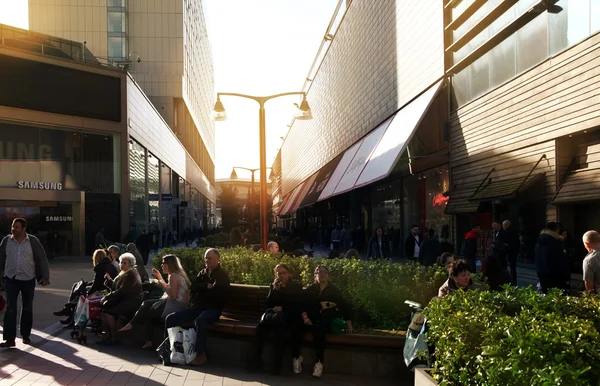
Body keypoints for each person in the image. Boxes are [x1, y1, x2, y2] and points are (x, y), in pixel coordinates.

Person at [164, 248, 230, 366]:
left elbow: (217, 294)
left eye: (210, 258)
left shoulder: (222, 275)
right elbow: (193, 287)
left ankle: (201, 354)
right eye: (205, 258)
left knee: (200, 320)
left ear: (218, 259)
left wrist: (202, 290)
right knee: (171, 318)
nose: (207, 260)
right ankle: (168, 350)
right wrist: (205, 286)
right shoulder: (203, 273)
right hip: (198, 307)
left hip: (213, 309)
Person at [119, 254, 191, 349]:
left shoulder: (174, 276)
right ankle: (148, 340)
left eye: (163, 263)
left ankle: (131, 324)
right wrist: (160, 278)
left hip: (175, 306)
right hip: (175, 304)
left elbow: (173, 295)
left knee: (146, 305)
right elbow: (171, 290)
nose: (162, 265)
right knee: (148, 312)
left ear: (170, 264)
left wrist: (162, 285)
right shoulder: (176, 275)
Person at [294, 265, 353, 379]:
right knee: (295, 329)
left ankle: (319, 363)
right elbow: (302, 305)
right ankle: (296, 357)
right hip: (309, 320)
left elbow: (344, 307)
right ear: (315, 276)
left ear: (328, 275)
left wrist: (349, 324)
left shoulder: (334, 290)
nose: (322, 274)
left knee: (319, 332)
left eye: (325, 272)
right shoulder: (310, 289)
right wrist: (306, 318)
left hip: (324, 320)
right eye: (319, 272)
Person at [0, 218, 50, 347]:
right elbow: (0, 260)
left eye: (16, 227)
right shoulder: (6, 241)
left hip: (28, 278)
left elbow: (41, 259)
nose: (13, 229)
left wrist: (44, 276)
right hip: (10, 278)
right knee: (10, 307)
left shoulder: (32, 241)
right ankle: (10, 338)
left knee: (27, 307)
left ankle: (26, 335)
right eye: (12, 226)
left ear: (23, 229)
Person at [248, 264, 302, 375]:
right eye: (278, 273)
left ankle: (277, 365)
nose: (281, 275)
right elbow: (268, 304)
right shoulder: (274, 286)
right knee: (260, 330)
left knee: (280, 332)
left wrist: (283, 308)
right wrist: (275, 290)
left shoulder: (295, 286)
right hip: (274, 317)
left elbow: (296, 305)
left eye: (283, 273)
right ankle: (256, 362)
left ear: (289, 273)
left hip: (288, 317)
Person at [52, 249, 119, 326]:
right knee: (77, 285)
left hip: (103, 290)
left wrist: (87, 293)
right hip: (104, 288)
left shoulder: (100, 267)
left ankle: (70, 312)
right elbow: (98, 281)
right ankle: (69, 310)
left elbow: (96, 285)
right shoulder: (109, 265)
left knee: (80, 292)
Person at [97, 253, 143, 345]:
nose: (122, 264)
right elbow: (117, 288)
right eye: (121, 262)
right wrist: (110, 281)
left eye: (125, 263)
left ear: (130, 264)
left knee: (108, 311)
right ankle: (108, 335)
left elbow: (122, 291)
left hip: (130, 301)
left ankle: (113, 338)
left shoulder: (131, 274)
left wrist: (106, 297)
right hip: (123, 298)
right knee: (104, 310)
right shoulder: (124, 272)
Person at [534, 222, 570, 294]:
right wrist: (566, 276)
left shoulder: (539, 242)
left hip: (542, 273)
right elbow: (562, 261)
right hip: (555, 275)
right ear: (557, 230)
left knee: (546, 296)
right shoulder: (556, 242)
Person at [502, 220, 519, 285]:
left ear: (505, 225)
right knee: (513, 268)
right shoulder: (514, 232)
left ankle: (509, 280)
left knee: (507, 267)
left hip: (509, 252)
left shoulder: (506, 232)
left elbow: (506, 242)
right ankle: (514, 281)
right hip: (514, 252)